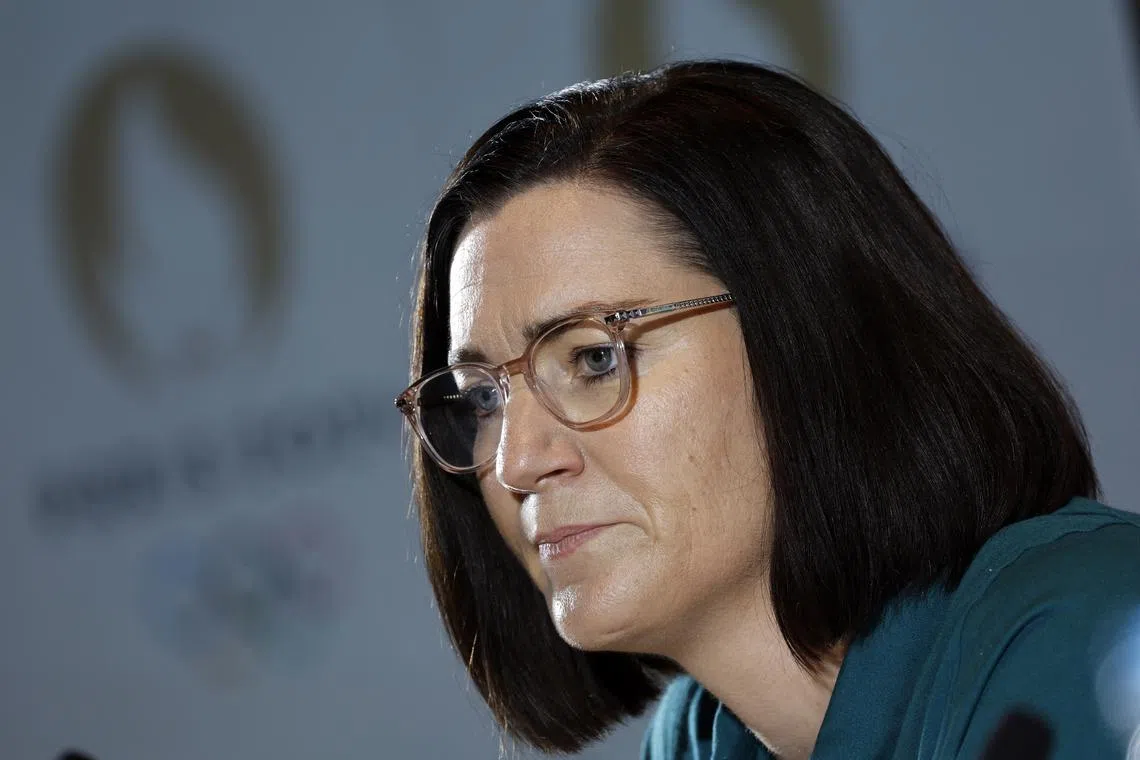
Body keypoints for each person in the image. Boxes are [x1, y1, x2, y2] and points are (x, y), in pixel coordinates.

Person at [395, 59, 1140, 759]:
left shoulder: (1091, 631)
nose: (517, 461)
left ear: (812, 334)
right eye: (483, 398)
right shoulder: (698, 736)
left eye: (594, 357)